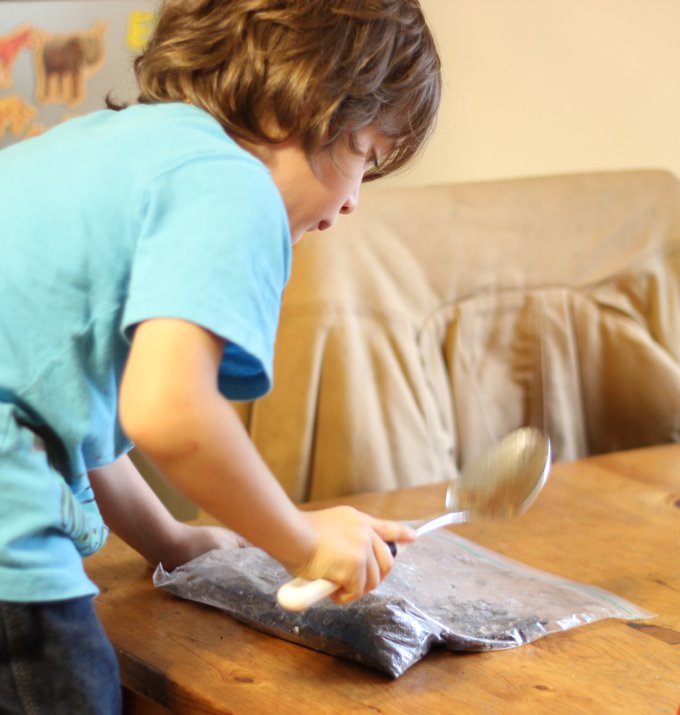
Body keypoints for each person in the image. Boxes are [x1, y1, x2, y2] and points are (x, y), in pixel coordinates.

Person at [0, 0, 441, 712]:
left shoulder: (108, 146)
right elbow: (169, 409)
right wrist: (302, 541)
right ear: (307, 105)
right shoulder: (230, 186)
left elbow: (68, 414)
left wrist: (170, 539)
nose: (356, 200)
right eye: (369, 156)